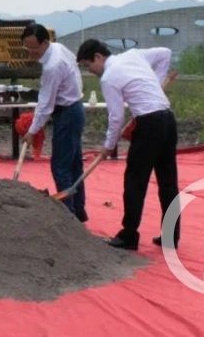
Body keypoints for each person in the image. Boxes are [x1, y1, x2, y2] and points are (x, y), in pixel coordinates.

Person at [77, 39, 180, 250]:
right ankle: (171, 236)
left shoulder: (109, 77)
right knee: (168, 181)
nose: (90, 71)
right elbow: (165, 52)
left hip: (149, 124)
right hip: (168, 120)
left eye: (88, 65)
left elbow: (116, 117)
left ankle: (129, 235)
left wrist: (108, 145)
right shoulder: (133, 55)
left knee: (134, 181)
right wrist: (156, 83)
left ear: (98, 56)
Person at [21, 23, 87, 222]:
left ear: (45, 43)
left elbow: (45, 105)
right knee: (74, 164)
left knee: (61, 166)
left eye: (35, 48)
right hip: (74, 108)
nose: (31, 52)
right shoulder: (57, 48)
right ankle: (79, 210)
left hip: (68, 112)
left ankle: (68, 215)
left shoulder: (52, 66)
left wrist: (32, 131)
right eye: (28, 47)